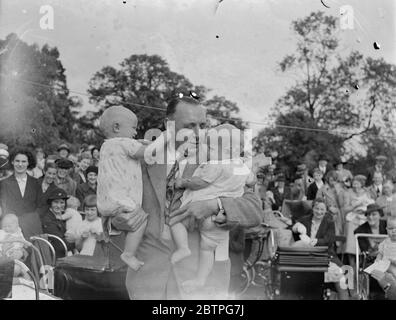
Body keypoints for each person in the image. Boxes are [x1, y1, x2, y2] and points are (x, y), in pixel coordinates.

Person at [110, 95, 262, 300]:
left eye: (203, 125)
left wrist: (215, 204)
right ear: (169, 125)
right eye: (190, 126)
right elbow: (112, 205)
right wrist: (115, 220)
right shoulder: (140, 157)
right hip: (148, 279)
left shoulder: (222, 157)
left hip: (202, 283)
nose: (199, 133)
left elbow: (254, 209)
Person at [171, 123, 251, 292]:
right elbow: (251, 180)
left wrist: (216, 204)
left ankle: (183, 248)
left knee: (175, 222)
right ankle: (199, 279)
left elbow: (254, 209)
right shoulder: (240, 167)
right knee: (206, 250)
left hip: (212, 222)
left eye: (211, 147)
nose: (208, 150)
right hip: (214, 229)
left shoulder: (215, 164)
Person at [97, 105, 164, 270]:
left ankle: (127, 250)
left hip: (107, 202)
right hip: (123, 201)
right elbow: (148, 152)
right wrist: (163, 140)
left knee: (129, 224)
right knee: (140, 221)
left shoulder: (106, 146)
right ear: (117, 127)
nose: (135, 133)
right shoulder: (124, 142)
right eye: (134, 128)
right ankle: (128, 253)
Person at [291, 198, 348, 299]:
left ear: (326, 210)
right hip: (306, 256)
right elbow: (293, 228)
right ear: (312, 208)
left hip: (326, 255)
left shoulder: (329, 222)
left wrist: (317, 241)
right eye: (317, 208)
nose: (319, 212)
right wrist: (296, 227)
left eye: (322, 209)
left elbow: (329, 239)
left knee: (341, 278)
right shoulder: (305, 219)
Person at [0, 149, 42, 239]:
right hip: (11, 229)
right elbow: (4, 206)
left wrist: (32, 219)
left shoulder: (36, 183)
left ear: (28, 163)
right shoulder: (4, 183)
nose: (20, 164)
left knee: (34, 252)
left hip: (32, 227)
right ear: (12, 162)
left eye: (23, 161)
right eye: (17, 161)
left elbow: (40, 205)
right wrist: (12, 222)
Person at [343, 175, 375, 270]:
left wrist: (364, 209)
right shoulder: (348, 193)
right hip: (353, 219)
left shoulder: (367, 193)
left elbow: (371, 205)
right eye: (353, 183)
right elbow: (345, 209)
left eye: (357, 183)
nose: (355, 186)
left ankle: (362, 267)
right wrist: (355, 205)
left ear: (362, 184)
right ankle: (352, 267)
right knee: (351, 246)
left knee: (364, 245)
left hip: (364, 219)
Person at [40, 188, 75, 257]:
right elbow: (60, 245)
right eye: (56, 202)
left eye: (62, 202)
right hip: (56, 256)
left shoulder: (63, 216)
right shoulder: (47, 220)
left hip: (67, 252)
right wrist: (75, 242)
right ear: (51, 203)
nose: (59, 206)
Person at [316, 170, 346, 248]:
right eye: (331, 179)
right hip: (326, 212)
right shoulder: (323, 189)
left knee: (339, 232)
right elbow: (317, 202)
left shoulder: (340, 189)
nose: (333, 182)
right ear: (328, 179)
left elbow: (342, 204)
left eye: (335, 180)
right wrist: (328, 207)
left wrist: (338, 192)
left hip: (338, 214)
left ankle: (338, 249)